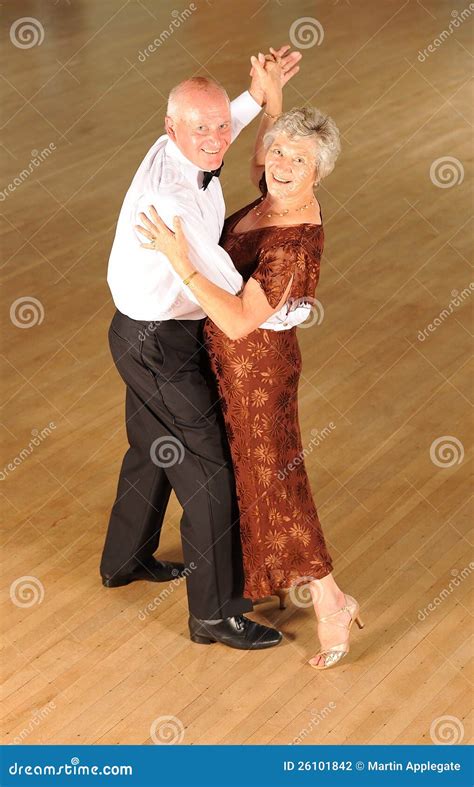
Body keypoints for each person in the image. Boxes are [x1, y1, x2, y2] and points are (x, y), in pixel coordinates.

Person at [136, 55, 365, 669]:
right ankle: (264, 580)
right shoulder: (272, 191)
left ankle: (331, 602)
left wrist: (178, 258)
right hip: (231, 364)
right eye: (282, 154)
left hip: (257, 370)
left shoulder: (293, 241)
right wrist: (271, 105)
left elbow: (239, 318)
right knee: (247, 479)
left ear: (321, 173)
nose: (283, 166)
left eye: (300, 161)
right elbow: (264, 155)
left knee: (277, 484)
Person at [102, 46, 303, 651]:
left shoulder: (188, 140)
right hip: (158, 343)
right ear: (171, 130)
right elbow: (237, 308)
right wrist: (294, 309)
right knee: (212, 470)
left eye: (222, 124)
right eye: (202, 128)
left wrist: (260, 95)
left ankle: (125, 559)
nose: (217, 139)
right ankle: (214, 614)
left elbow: (223, 124)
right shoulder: (176, 205)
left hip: (139, 331)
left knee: (150, 447)